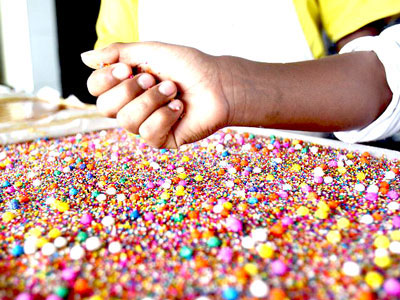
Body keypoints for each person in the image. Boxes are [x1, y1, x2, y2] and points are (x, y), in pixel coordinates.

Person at [81, 0, 400, 149]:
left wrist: (231, 89)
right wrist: (130, 91)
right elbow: (117, 71)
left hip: (300, 149)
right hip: (174, 162)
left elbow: (373, 61)